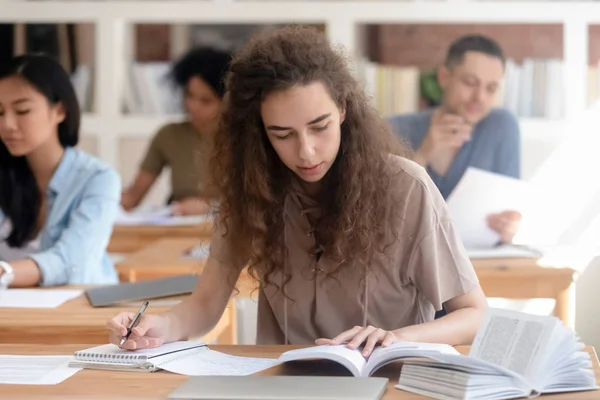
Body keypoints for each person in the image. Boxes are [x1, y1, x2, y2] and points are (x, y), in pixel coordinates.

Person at [107, 26, 487, 357]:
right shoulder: (251, 189)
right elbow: (206, 303)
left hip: (384, 382)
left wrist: (395, 338)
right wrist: (158, 328)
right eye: (282, 134)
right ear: (259, 131)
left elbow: (473, 314)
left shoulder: (407, 188)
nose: (305, 151)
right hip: (283, 384)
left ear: (342, 109)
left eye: (319, 127)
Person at [0, 54, 120, 288]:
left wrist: (5, 272)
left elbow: (72, 262)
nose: (7, 125)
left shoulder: (98, 179)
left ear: (60, 111)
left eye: (22, 111)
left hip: (77, 313)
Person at [388, 35, 522, 244]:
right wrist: (422, 155)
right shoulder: (396, 129)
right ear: (444, 77)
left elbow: (513, 210)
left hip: (481, 263)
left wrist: (511, 226)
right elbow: (384, 214)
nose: (480, 97)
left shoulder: (501, 127)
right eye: (470, 83)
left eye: (491, 88)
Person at [120, 47, 232, 215]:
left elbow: (260, 204)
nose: (193, 106)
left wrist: (209, 207)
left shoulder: (244, 138)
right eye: (189, 95)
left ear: (227, 102)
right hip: (177, 228)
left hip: (229, 232)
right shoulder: (169, 135)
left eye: (205, 101)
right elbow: (132, 197)